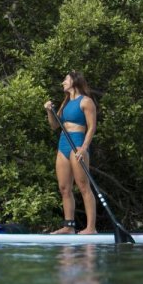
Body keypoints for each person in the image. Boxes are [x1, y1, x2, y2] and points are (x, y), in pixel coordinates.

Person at [44, 71, 99, 235]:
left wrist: (84, 147)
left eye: (65, 80)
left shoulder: (86, 101)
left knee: (83, 186)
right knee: (64, 188)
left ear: (74, 81)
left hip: (77, 143)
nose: (63, 82)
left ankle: (91, 228)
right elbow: (54, 126)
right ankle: (69, 226)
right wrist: (49, 111)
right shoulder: (65, 102)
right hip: (63, 144)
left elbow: (92, 127)